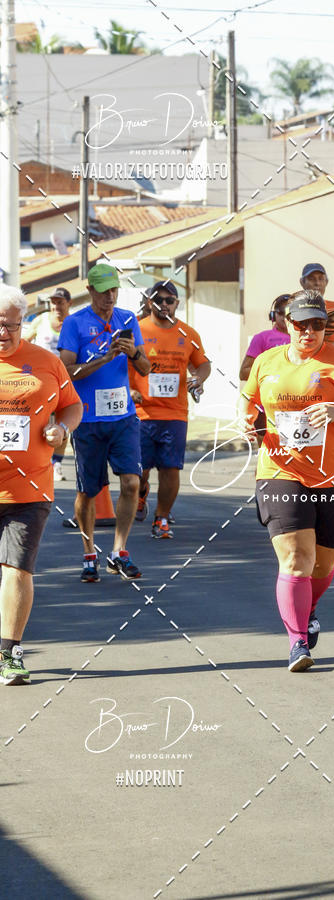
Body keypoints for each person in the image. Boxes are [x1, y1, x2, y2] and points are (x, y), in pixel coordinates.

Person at [240, 290, 334, 672]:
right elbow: (250, 400)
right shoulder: (267, 361)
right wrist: (247, 424)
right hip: (279, 472)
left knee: (321, 565)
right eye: (302, 324)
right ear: (288, 324)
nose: (309, 331)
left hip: (333, 477)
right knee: (297, 560)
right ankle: (297, 642)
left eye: (317, 324)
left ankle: (310, 606)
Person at [0, 285, 82, 684]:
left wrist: (62, 428)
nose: (4, 332)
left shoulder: (46, 362)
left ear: (22, 325)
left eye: (12, 325)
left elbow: (73, 404)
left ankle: (10, 653)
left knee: (17, 569)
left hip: (29, 488)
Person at [58, 263, 150, 582]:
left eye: (114, 290)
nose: (109, 297)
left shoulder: (127, 319)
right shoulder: (74, 323)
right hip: (87, 419)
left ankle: (118, 552)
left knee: (131, 483)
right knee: (88, 491)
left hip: (123, 417)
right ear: (91, 291)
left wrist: (133, 353)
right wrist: (104, 358)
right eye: (103, 291)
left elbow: (146, 368)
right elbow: (66, 371)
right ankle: (88, 553)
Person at [129, 280, 210, 538]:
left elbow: (203, 364)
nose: (164, 304)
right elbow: (119, 365)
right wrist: (128, 391)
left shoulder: (189, 334)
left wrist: (199, 378)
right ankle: (141, 494)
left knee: (170, 468)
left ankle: (161, 518)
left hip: (175, 413)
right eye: (158, 299)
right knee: (139, 470)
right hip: (141, 412)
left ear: (177, 303)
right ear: (149, 302)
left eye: (169, 300)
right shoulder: (137, 330)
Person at [24, 286, 72, 481]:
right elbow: (24, 341)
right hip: (41, 381)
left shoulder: (72, 323)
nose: (56, 306)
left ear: (69, 303)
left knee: (62, 422)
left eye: (60, 302)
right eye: (53, 302)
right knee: (39, 421)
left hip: (64, 379)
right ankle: (35, 462)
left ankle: (57, 464)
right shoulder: (41, 320)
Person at [239, 294, 291, 446]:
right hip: (265, 407)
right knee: (266, 456)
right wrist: (273, 373)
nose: (284, 316)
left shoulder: (304, 340)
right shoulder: (262, 338)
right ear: (273, 315)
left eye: (289, 312)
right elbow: (243, 372)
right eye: (280, 312)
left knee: (294, 458)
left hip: (295, 406)